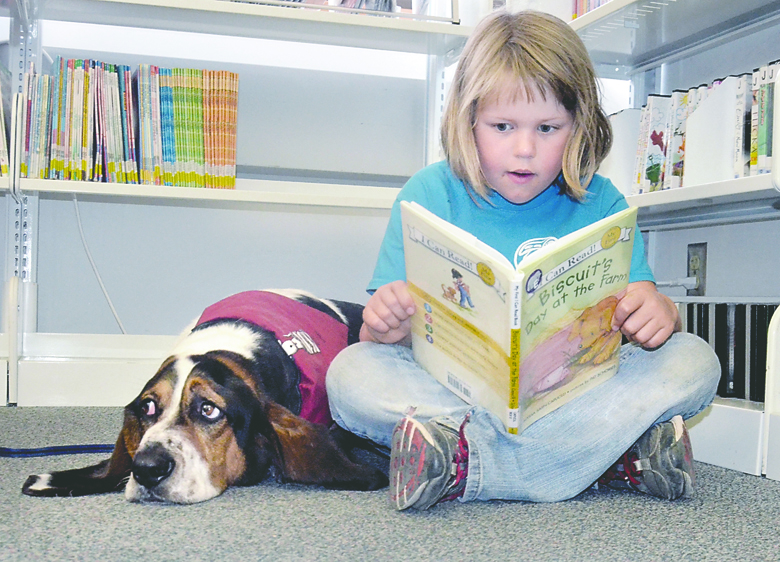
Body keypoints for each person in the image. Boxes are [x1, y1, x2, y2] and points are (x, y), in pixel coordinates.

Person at [326, 10, 720, 510]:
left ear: (579, 126)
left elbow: (640, 310)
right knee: (351, 373)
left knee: (693, 359)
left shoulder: (602, 204)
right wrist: (384, 324)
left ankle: (466, 463)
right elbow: (382, 339)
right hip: (456, 391)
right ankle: (607, 459)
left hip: (568, 396)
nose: (525, 148)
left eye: (549, 127)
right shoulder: (428, 193)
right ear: (468, 120)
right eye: (503, 125)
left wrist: (658, 311)